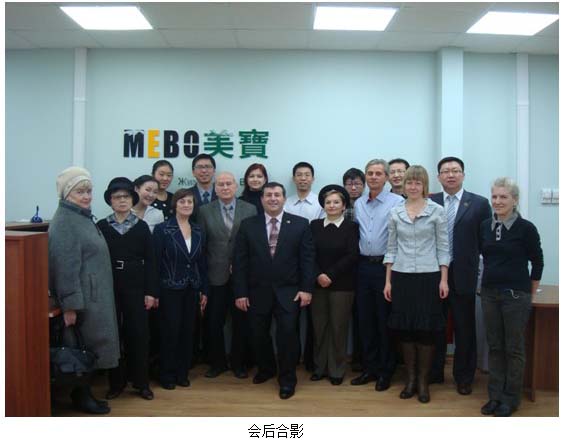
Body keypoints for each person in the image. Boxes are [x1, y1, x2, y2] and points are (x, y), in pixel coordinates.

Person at [233, 182, 315, 400]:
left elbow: (307, 260)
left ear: (284, 199)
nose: (272, 198)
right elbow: (240, 262)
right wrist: (240, 292)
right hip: (256, 292)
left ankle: (287, 380)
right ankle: (266, 368)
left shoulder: (300, 224)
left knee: (287, 336)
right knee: (258, 334)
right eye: (268, 195)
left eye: (277, 195)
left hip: (289, 291)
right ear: (261, 200)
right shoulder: (248, 225)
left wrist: (306, 289)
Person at [48, 166, 119, 414]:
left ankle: (85, 394)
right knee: (81, 348)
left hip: (93, 297)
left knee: (89, 347)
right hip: (83, 301)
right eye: (80, 192)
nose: (87, 196)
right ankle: (81, 396)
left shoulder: (81, 216)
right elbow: (64, 268)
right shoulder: (65, 222)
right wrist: (70, 306)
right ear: (66, 194)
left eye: (89, 191)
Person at [383, 166, 450, 403]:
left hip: (428, 276)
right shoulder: (395, 212)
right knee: (405, 330)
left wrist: (444, 279)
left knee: (426, 331)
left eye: (417, 183)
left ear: (424, 186)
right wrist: (388, 281)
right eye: (409, 182)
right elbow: (391, 248)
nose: (413, 187)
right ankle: (410, 380)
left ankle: (423, 382)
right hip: (401, 276)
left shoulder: (437, 211)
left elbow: (443, 247)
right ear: (404, 185)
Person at [479, 178, 543, 417]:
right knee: (495, 346)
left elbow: (537, 262)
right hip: (489, 294)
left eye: (503, 197)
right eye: (494, 196)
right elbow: (484, 257)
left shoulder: (526, 228)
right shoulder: (485, 226)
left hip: (516, 296)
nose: (497, 201)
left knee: (513, 348)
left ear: (514, 200)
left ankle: (510, 398)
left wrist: (530, 293)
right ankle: (494, 396)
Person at [429, 156, 492, 395]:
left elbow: (486, 242)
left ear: (463, 175)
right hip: (433, 272)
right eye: (445, 171)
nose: (451, 175)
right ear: (438, 177)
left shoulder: (479, 204)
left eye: (455, 170)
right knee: (434, 325)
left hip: (464, 274)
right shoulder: (430, 201)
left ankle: (464, 377)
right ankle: (434, 372)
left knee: (464, 327)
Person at [97, 177, 157, 401]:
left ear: (132, 199)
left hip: (136, 286)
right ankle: (116, 383)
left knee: (139, 334)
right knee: (114, 335)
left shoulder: (141, 227)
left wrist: (151, 292)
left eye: (126, 196)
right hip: (110, 286)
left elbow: (151, 261)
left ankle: (141, 383)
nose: (122, 200)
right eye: (117, 197)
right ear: (110, 201)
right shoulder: (102, 226)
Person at [197, 172, 257, 379]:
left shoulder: (250, 209)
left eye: (228, 184)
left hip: (243, 276)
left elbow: (254, 243)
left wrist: (243, 266)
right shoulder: (204, 211)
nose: (224, 187)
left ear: (235, 186)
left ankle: (239, 363)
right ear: (215, 188)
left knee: (241, 322)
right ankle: (217, 363)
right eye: (220, 184)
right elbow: (202, 245)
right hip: (215, 275)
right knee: (214, 323)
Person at [352, 159, 404, 391]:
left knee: (384, 321)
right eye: (370, 173)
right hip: (363, 267)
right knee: (365, 321)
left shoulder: (397, 202)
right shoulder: (359, 203)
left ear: (386, 177)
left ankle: (385, 371)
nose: (373, 177)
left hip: (386, 267)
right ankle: (369, 368)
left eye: (378, 173)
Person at [153, 188, 208, 389]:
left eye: (190, 202)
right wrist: (154, 292)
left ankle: (182, 373)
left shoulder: (198, 230)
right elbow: (155, 262)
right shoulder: (162, 229)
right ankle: (167, 374)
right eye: (182, 201)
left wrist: (204, 290)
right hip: (169, 289)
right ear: (175, 205)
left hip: (192, 288)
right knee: (170, 332)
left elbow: (202, 263)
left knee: (188, 332)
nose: (186, 205)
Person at [310, 185, 359, 385]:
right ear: (323, 205)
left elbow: (352, 255)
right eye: (328, 202)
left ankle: (337, 369)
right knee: (319, 327)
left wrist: (330, 274)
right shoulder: (314, 225)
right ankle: (319, 367)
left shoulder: (351, 227)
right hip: (317, 284)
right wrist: (318, 275)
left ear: (343, 205)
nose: (332, 205)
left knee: (338, 328)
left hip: (342, 285)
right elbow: (309, 253)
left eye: (336, 202)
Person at [284, 161, 323, 372]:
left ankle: (311, 360)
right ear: (293, 178)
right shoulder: (286, 203)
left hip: (313, 264)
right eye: (299, 174)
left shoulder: (320, 203)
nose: (303, 178)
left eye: (307, 175)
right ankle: (292, 359)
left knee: (314, 319)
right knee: (291, 318)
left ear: (313, 178)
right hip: (290, 267)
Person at [341, 167, 366, 372]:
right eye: (349, 184)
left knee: (361, 315)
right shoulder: (338, 205)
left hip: (363, 265)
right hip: (341, 266)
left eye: (357, 183)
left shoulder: (367, 205)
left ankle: (360, 358)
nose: (354, 187)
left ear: (363, 186)